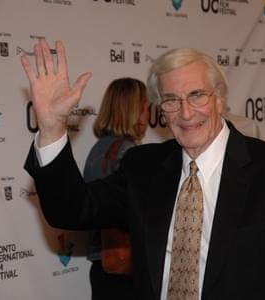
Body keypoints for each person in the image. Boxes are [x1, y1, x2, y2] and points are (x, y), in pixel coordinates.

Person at [22, 39, 265, 299]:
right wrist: (51, 128)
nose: (185, 112)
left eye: (196, 95)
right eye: (171, 100)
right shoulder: (143, 167)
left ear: (220, 99)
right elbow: (74, 209)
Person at [83, 77, 148, 300]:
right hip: (123, 267)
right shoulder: (127, 152)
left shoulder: (99, 148)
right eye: (145, 106)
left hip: (104, 265)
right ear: (134, 110)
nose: (148, 114)